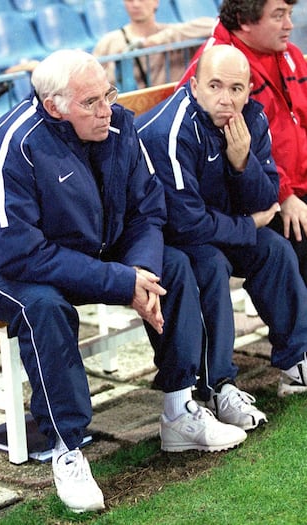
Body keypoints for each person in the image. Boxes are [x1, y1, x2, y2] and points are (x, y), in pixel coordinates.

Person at [0, 49, 247, 513]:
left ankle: (179, 409)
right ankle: (66, 448)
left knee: (176, 266)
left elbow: (147, 212)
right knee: (42, 306)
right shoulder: (5, 151)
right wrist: (120, 282)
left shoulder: (118, 125)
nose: (106, 110)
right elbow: (22, 255)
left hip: (81, 246)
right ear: (53, 106)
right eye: (91, 103)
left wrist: (140, 272)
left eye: (108, 95)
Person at [136, 45, 307, 431]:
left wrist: (242, 161)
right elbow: (185, 223)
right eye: (215, 86)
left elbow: (266, 197)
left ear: (248, 91)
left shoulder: (251, 119)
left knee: (275, 250)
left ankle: (296, 360)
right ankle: (219, 386)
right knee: (211, 263)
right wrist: (248, 225)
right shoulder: (173, 131)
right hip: (166, 237)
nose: (226, 99)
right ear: (194, 86)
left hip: (214, 226)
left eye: (236, 88)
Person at [177, 0, 307, 285]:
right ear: (245, 20)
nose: (289, 25)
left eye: (290, 14)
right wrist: (284, 195)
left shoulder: (290, 55)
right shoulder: (216, 68)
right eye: (278, 16)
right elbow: (199, 143)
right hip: (252, 200)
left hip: (294, 188)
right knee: (294, 235)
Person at [93, 0, 215, 88]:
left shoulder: (172, 33)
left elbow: (213, 25)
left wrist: (158, 40)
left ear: (156, 2)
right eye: (130, 0)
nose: (136, 4)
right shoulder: (109, 41)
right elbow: (94, 80)